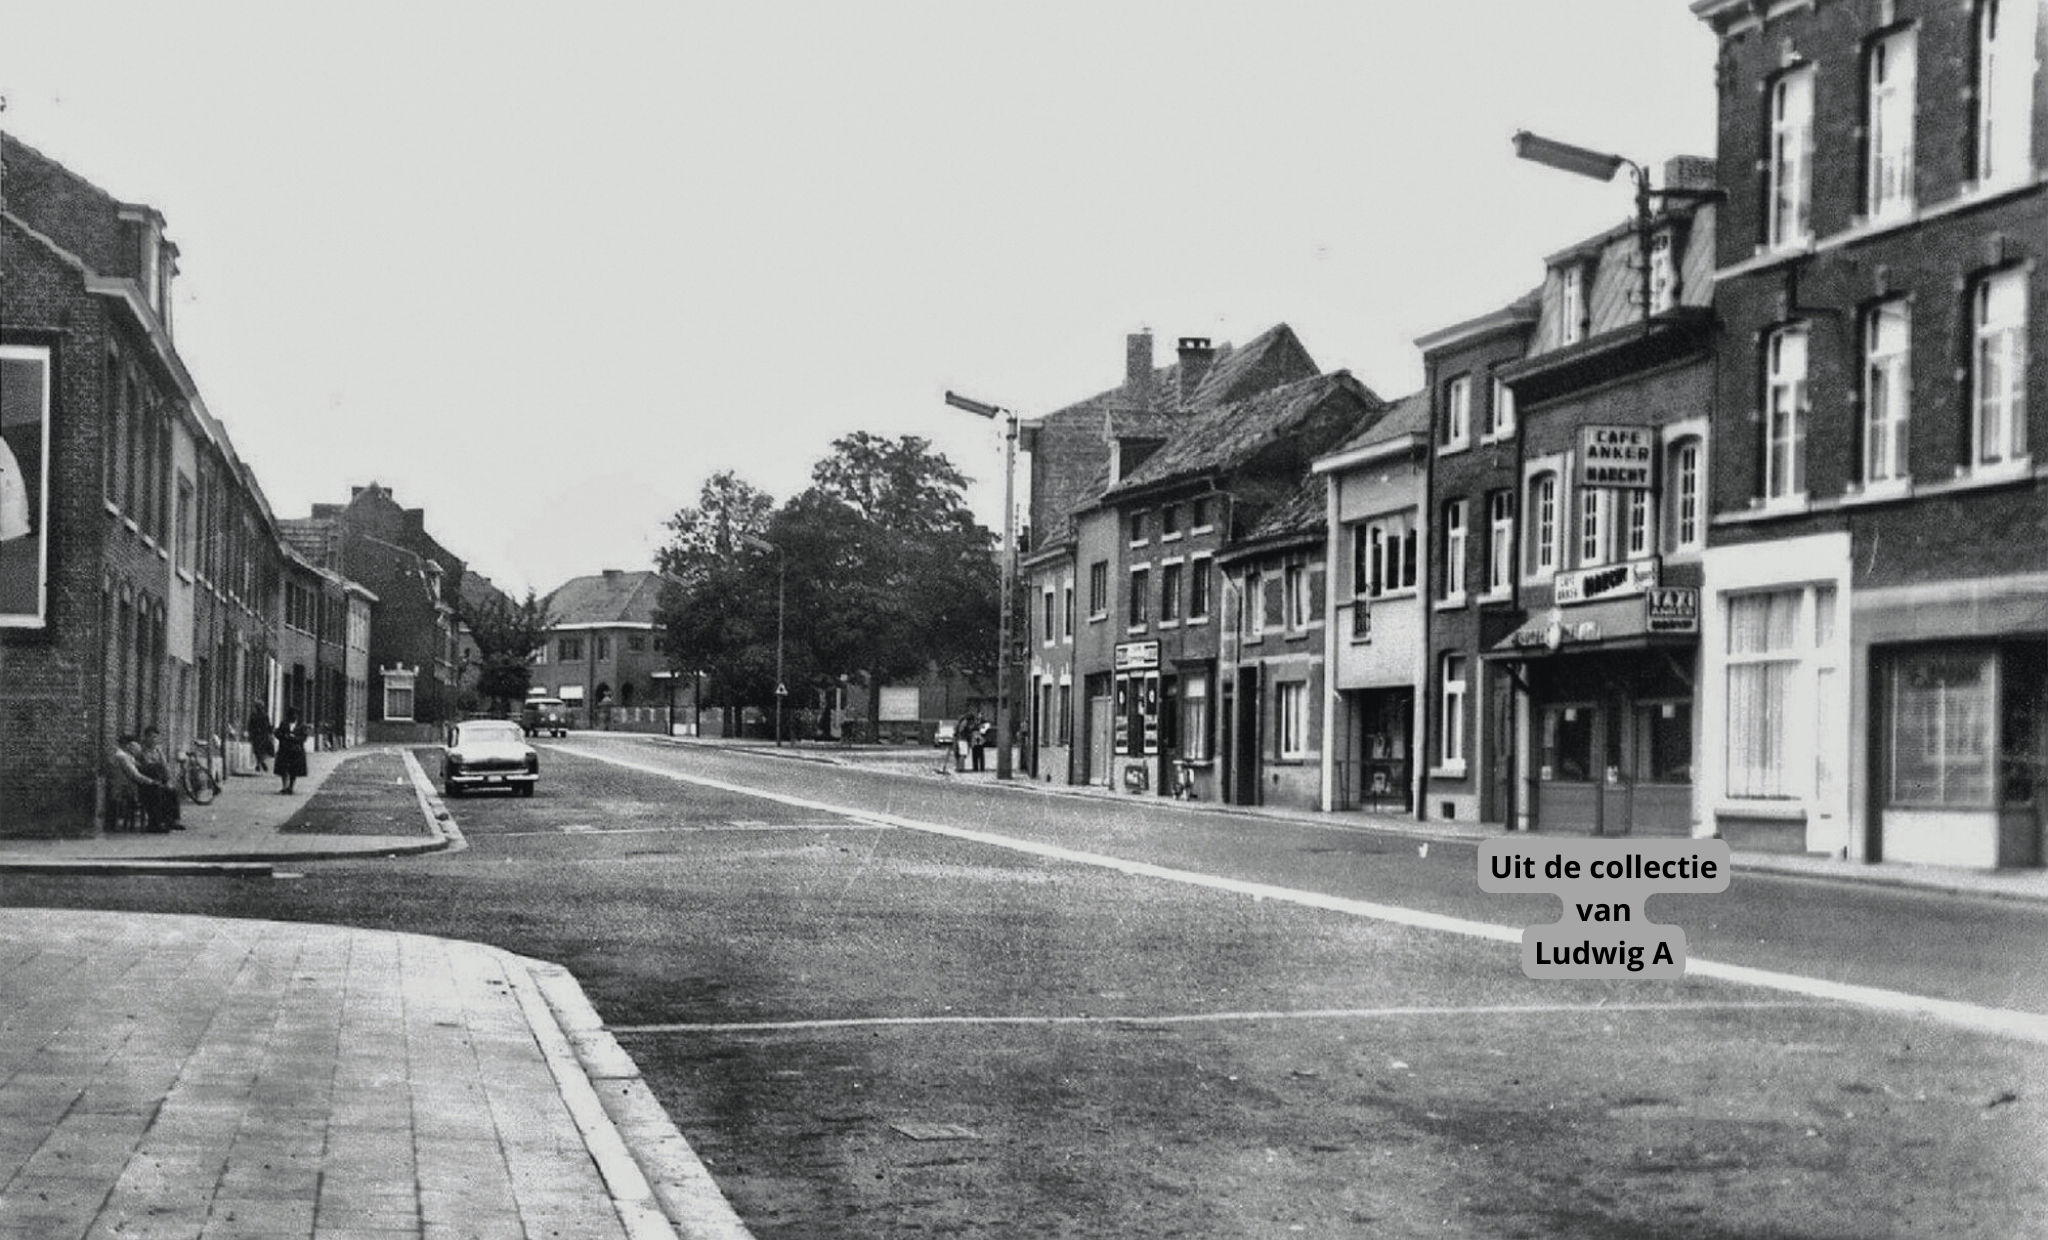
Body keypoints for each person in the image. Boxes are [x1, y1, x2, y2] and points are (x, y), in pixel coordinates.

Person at [109, 733, 179, 831]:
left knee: (170, 791)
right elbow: (135, 775)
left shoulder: (128, 756)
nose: (135, 748)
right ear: (128, 745)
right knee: (157, 791)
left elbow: (143, 768)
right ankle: (155, 823)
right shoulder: (122, 757)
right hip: (129, 788)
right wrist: (151, 782)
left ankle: (170, 821)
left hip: (135, 785)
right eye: (134, 746)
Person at [274, 707, 308, 794]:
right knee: (284, 769)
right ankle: (284, 787)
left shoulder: (301, 726)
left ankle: (291, 787)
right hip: (285, 750)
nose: (294, 717)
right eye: (292, 715)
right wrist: (284, 736)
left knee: (294, 770)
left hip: (296, 751)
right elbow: (277, 733)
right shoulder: (284, 724)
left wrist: (294, 738)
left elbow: (304, 738)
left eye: (295, 715)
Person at [246, 704, 274, 773]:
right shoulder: (265, 715)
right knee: (262, 751)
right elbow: (268, 726)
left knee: (257, 751)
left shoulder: (253, 716)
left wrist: (250, 734)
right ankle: (261, 762)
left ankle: (259, 763)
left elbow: (250, 726)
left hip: (256, 736)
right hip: (263, 735)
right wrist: (270, 731)